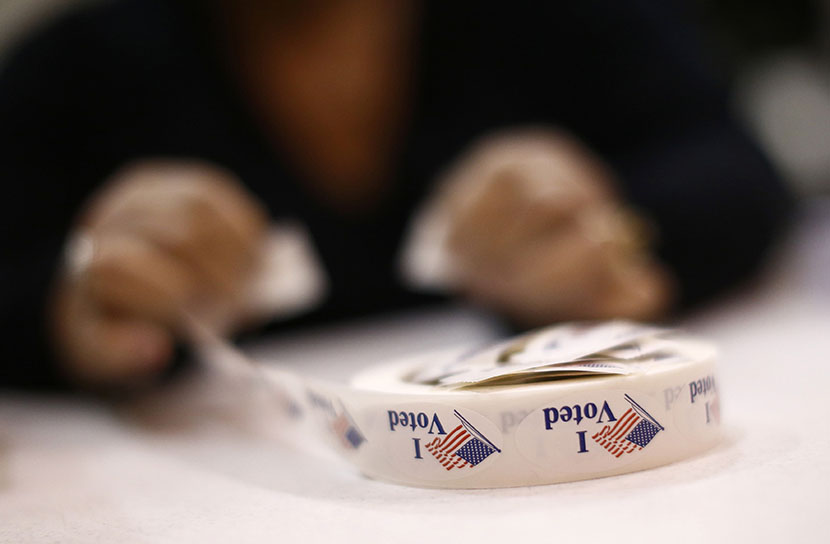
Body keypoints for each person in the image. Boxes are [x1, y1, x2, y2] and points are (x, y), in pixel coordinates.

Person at [0, 0, 793, 390]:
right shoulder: (75, 71)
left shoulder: (567, 18)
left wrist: (620, 237)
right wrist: (71, 307)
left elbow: (737, 166)